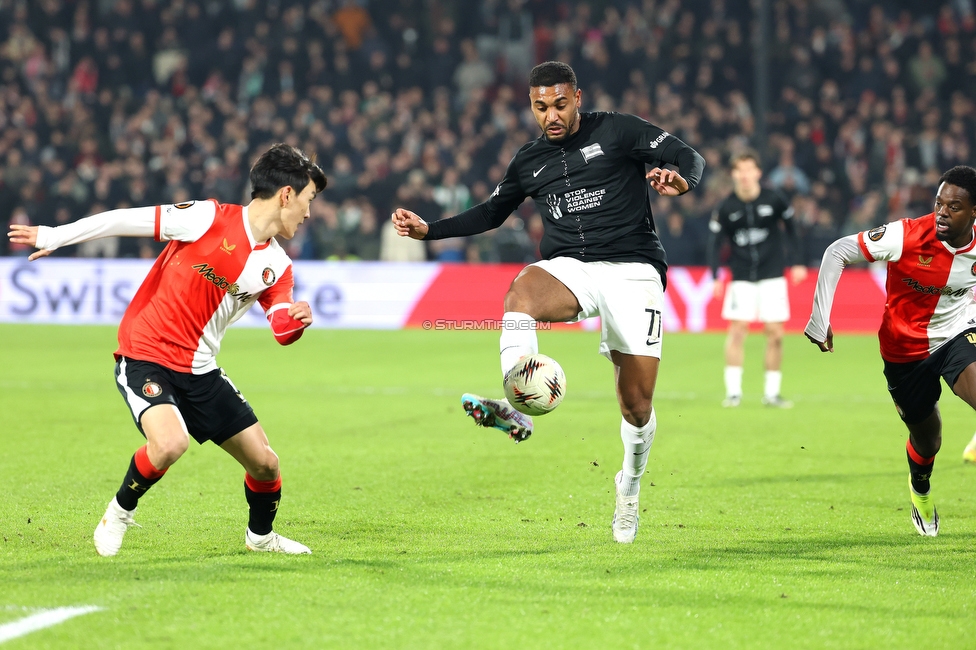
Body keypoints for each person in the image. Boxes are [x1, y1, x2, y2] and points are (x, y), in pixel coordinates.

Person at [391, 61, 705, 544]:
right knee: (521, 292)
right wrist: (431, 230)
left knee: (637, 406)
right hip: (571, 267)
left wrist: (681, 181)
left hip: (633, 268)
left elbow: (690, 157)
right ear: (531, 107)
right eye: (541, 107)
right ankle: (517, 403)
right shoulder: (529, 160)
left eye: (560, 104)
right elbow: (492, 212)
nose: (551, 115)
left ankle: (629, 486)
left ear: (577, 97)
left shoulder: (619, 131)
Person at [8, 143, 327, 556]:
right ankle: (120, 511)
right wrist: (56, 235)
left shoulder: (278, 266)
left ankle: (261, 538)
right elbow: (124, 219)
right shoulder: (208, 217)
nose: (307, 213)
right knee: (170, 443)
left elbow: (280, 328)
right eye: (308, 200)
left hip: (201, 369)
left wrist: (297, 321)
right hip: (146, 355)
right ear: (287, 194)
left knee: (266, 463)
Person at [805, 165, 976, 537]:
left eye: (955, 206)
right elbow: (837, 251)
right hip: (904, 352)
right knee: (928, 439)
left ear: (974, 212)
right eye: (939, 203)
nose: (943, 212)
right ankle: (920, 489)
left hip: (956, 335)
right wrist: (820, 318)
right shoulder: (907, 235)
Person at [707, 151, 806, 408]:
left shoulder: (774, 200)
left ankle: (771, 394)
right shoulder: (727, 207)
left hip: (772, 274)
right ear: (733, 175)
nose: (745, 175)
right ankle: (733, 393)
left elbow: (793, 229)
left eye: (749, 169)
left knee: (775, 334)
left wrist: (797, 261)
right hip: (741, 276)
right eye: (740, 170)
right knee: (737, 330)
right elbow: (715, 243)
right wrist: (716, 275)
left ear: (758, 173)